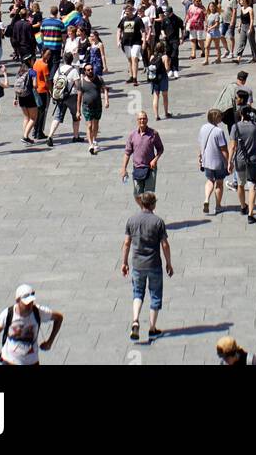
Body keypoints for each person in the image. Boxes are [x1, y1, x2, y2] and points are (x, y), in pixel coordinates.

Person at [121, 191, 173, 343]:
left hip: (137, 264)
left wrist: (124, 262)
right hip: (154, 264)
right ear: (152, 204)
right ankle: (152, 328)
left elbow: (126, 243)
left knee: (138, 293)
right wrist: (169, 263)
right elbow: (165, 244)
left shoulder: (132, 220)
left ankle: (135, 319)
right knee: (155, 295)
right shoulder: (158, 222)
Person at [0, 284, 63, 365]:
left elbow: (59, 318)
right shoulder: (8, 314)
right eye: (26, 303)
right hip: (10, 361)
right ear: (17, 300)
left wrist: (50, 342)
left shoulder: (38, 312)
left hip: (32, 361)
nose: (29, 305)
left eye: (31, 302)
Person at [228, 104, 256, 223]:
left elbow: (233, 146)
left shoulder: (235, 127)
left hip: (240, 160)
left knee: (240, 185)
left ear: (241, 114)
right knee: (252, 186)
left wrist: (229, 161)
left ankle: (243, 206)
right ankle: (251, 214)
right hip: (253, 160)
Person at [121, 111, 164, 196]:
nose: (142, 121)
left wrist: (155, 159)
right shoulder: (132, 135)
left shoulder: (153, 134)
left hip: (150, 168)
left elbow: (160, 149)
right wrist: (124, 168)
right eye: (140, 119)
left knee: (149, 195)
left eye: (144, 118)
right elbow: (127, 153)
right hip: (137, 168)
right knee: (137, 194)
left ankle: (148, 209)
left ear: (147, 120)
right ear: (137, 121)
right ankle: (144, 209)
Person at [46, 53, 84, 144]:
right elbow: (78, 86)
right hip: (71, 97)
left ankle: (50, 135)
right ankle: (76, 136)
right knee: (75, 117)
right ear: (72, 60)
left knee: (57, 117)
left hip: (60, 97)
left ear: (63, 59)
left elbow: (54, 81)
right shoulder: (74, 71)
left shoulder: (59, 69)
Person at [198, 108, 229, 214]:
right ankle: (218, 206)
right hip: (218, 162)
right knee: (219, 183)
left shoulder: (203, 128)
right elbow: (224, 149)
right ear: (216, 118)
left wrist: (200, 156)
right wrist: (228, 162)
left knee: (210, 180)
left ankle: (206, 198)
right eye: (220, 116)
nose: (221, 118)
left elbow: (201, 144)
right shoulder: (219, 131)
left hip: (206, 161)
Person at [77, 63, 109, 154]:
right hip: (87, 107)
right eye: (88, 70)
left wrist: (106, 100)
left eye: (91, 69)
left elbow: (105, 89)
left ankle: (94, 139)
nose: (90, 71)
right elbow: (79, 97)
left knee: (96, 124)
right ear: (85, 71)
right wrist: (78, 111)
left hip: (98, 105)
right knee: (89, 125)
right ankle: (90, 144)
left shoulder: (98, 79)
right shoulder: (82, 82)